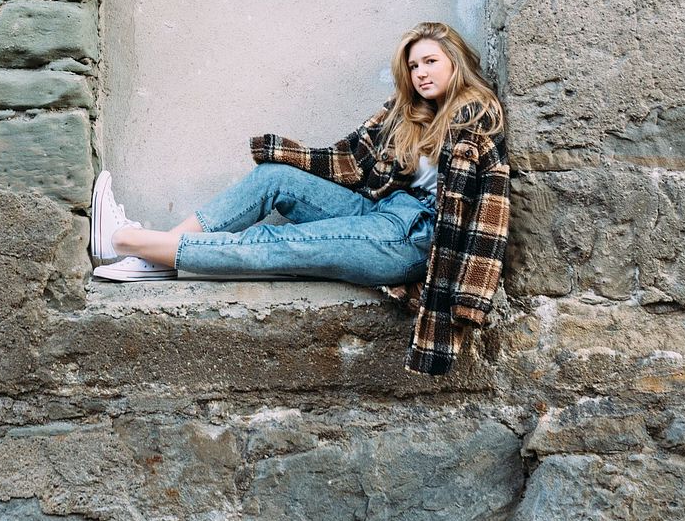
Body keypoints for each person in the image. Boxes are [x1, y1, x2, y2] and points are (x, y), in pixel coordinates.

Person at [89, 21, 511, 375]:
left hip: (414, 236)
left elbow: (487, 216)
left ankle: (124, 240)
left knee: (279, 243)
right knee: (274, 178)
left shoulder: (476, 115)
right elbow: (348, 159)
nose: (420, 73)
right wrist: (285, 153)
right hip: (385, 210)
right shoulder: (407, 112)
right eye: (413, 65)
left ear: (455, 61)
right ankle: (158, 258)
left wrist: (466, 300)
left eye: (430, 61)